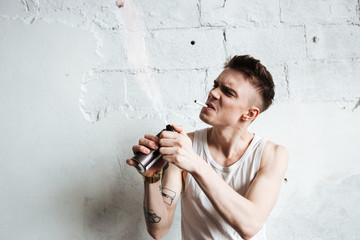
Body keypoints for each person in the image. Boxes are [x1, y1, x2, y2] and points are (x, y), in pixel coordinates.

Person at [126, 55, 289, 240]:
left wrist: (195, 163)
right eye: (215, 85)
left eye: (228, 92)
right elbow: (158, 230)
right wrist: (152, 178)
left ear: (250, 113)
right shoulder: (185, 146)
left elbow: (249, 225)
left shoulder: (273, 155)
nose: (213, 93)